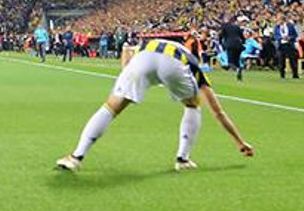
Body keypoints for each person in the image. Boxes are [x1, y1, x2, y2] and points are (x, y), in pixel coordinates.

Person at [55, 38, 255, 172]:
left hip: (143, 57)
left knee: (112, 106)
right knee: (193, 104)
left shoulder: (150, 44)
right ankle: (183, 159)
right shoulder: (193, 63)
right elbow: (218, 112)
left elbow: (126, 63)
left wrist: (125, 60)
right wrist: (240, 141)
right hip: (174, 63)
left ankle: (76, 157)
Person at [219, 16, 246, 81]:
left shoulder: (225, 26)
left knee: (230, 62)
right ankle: (239, 77)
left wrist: (221, 43)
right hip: (238, 45)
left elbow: (221, 36)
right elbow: (242, 37)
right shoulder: (237, 27)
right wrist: (243, 43)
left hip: (230, 45)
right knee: (237, 61)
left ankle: (237, 69)